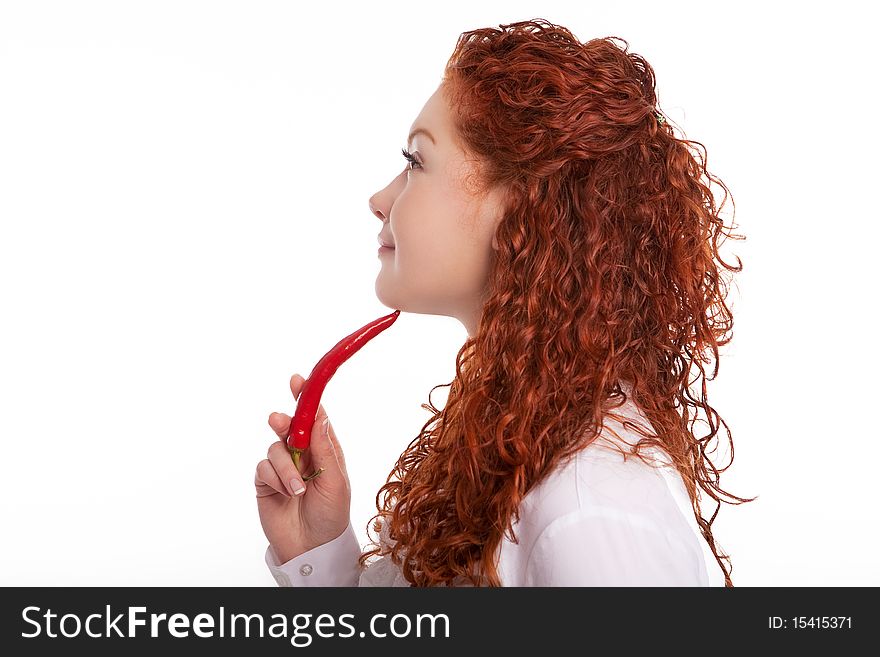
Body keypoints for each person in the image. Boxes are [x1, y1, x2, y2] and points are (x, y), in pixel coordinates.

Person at [255, 18, 754, 587]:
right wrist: (317, 551)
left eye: (416, 161)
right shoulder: (516, 426)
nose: (379, 199)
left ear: (519, 211)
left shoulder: (590, 513)